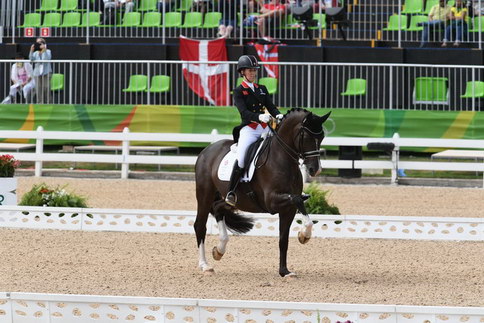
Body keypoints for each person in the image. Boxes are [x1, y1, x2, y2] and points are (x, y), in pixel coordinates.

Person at [225, 55, 283, 206]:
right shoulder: (238, 91)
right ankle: (231, 192)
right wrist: (258, 117)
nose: (253, 73)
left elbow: (271, 106)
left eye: (254, 70)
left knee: (281, 151)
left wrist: (278, 114)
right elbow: (244, 113)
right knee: (243, 158)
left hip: (265, 129)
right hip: (249, 129)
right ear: (242, 72)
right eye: (250, 70)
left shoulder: (262, 89)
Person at [29, 38, 52, 104]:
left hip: (46, 72)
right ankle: (40, 103)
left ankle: (48, 104)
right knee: (38, 89)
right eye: (37, 43)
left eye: (40, 42)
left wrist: (44, 50)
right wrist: (31, 51)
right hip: (37, 73)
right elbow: (31, 59)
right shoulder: (35, 53)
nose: (39, 44)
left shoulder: (48, 51)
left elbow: (45, 59)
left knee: (46, 88)